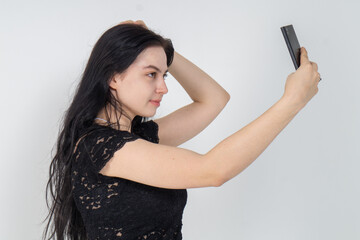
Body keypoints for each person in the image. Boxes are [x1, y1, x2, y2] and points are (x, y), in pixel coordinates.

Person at [43, 20, 320, 240]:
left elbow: (213, 100)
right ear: (113, 77)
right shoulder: (100, 148)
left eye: (164, 75)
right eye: (151, 74)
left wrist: (164, 51)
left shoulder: (134, 139)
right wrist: (292, 101)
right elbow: (213, 170)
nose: (163, 87)